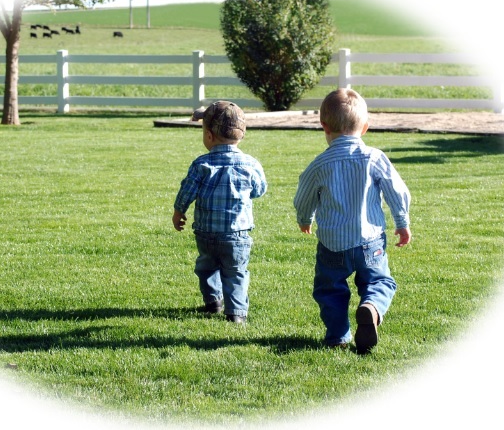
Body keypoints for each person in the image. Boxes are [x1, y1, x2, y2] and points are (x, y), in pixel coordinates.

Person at [293, 88, 411, 354]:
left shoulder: (319, 164)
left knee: (330, 290)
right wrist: (402, 221)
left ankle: (338, 336)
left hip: (332, 244)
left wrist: (305, 218)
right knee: (379, 282)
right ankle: (372, 307)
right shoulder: (374, 157)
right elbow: (396, 190)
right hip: (371, 241)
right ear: (365, 127)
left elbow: (304, 195)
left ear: (324, 126)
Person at [173, 101, 267, 324]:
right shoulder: (250, 164)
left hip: (205, 232)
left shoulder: (201, 164)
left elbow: (187, 190)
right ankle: (236, 313)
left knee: (206, 267)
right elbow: (259, 190)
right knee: (236, 272)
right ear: (241, 134)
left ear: (208, 135)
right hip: (237, 234)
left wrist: (179, 211)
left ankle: (213, 301)